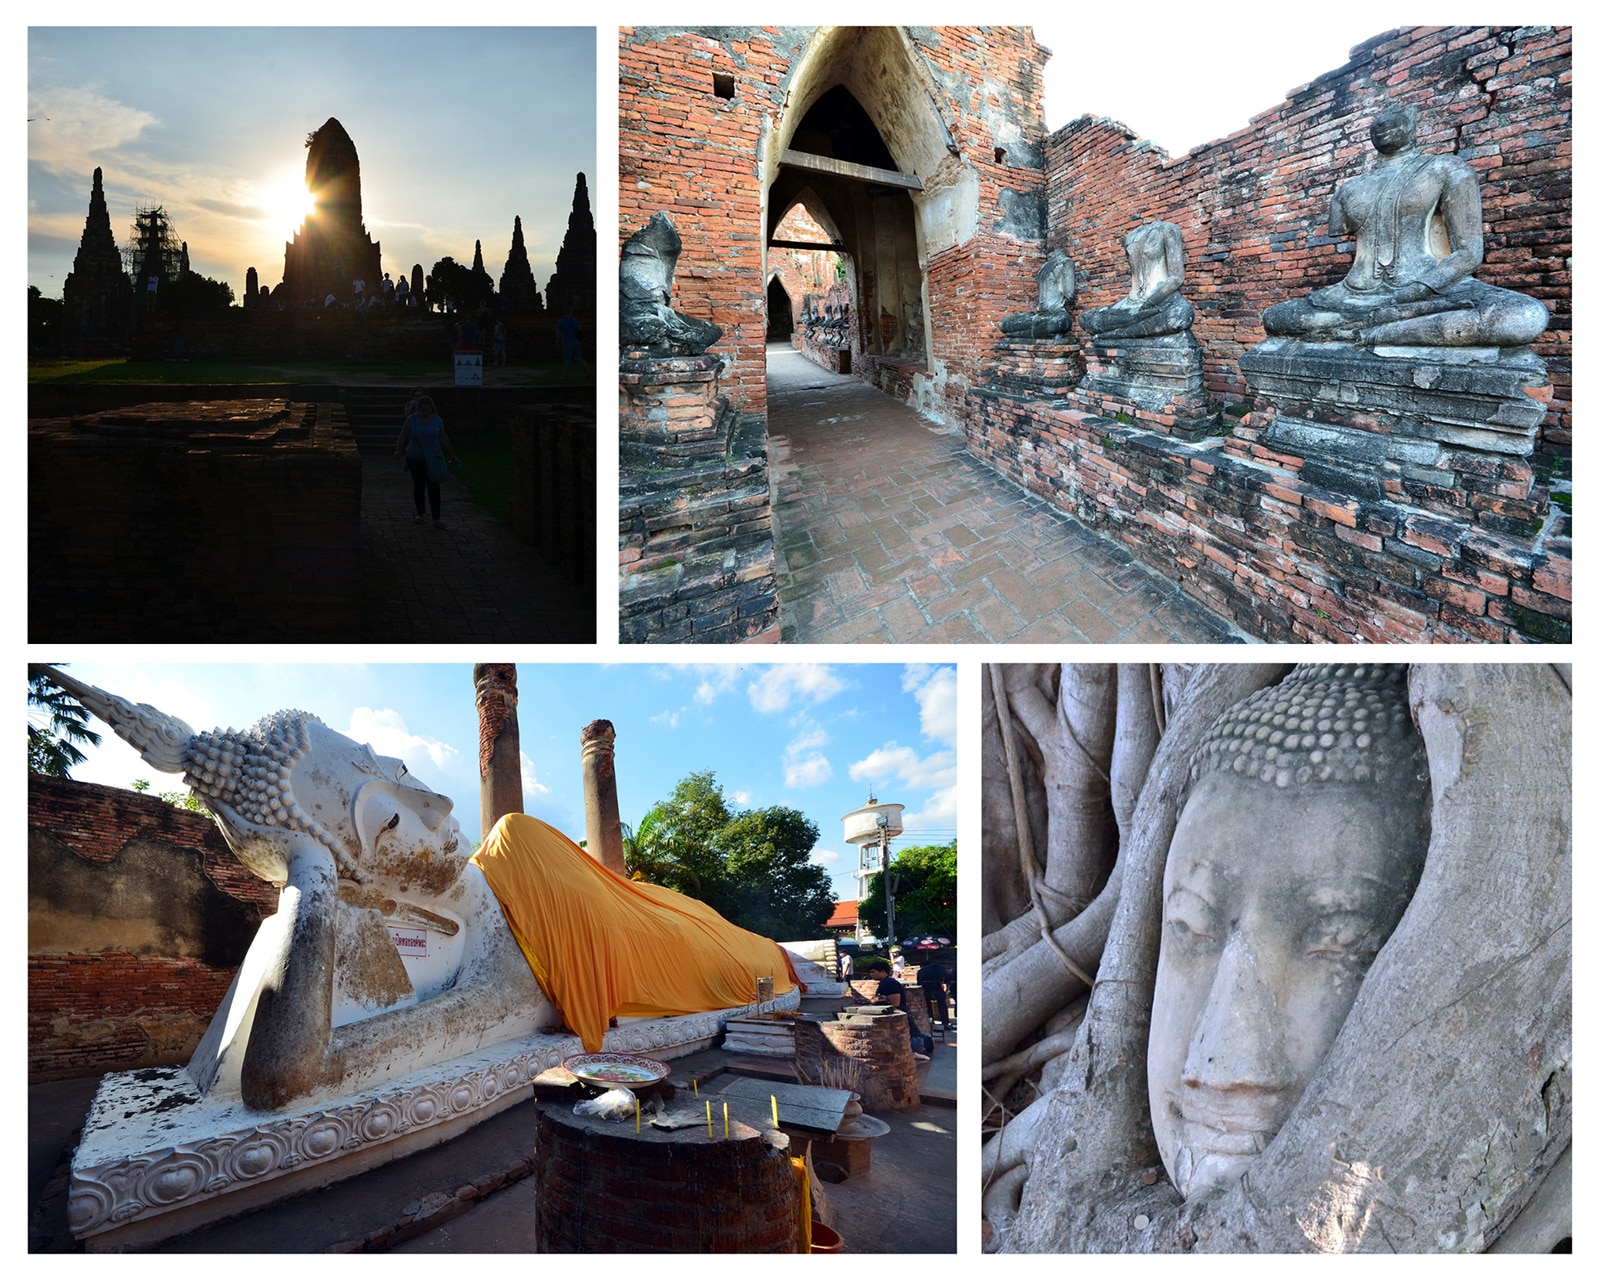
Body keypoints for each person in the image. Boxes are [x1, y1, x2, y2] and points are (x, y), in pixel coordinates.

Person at [1261, 103, 1548, 347]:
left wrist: (1416, 291)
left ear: (1412, 127)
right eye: (1377, 123)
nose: (1384, 124)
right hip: (1355, 293)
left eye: (1395, 119)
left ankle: (1368, 334)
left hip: (1429, 289)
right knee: (1276, 318)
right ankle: (1375, 326)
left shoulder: (1445, 169)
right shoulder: (1348, 188)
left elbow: (1469, 253)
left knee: (1523, 316)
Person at [394, 394, 460, 530]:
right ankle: (420, 514)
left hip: (432, 457)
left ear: (431, 409)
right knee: (419, 486)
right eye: (422, 410)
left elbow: (443, 438)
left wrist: (452, 454)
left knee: (434, 487)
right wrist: (398, 450)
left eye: (427, 410)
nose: (424, 413)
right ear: (418, 409)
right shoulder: (412, 420)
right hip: (415, 457)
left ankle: (436, 518)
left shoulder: (437, 420)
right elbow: (403, 435)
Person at [866, 959, 931, 1060]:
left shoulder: (890, 983)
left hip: (914, 1040)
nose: (871, 974)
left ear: (883, 972)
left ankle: (915, 1049)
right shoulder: (885, 982)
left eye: (873, 972)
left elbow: (895, 1003)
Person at [918, 957, 951, 1029]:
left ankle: (930, 1021)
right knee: (942, 1005)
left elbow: (918, 984)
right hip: (937, 986)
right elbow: (946, 976)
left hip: (926, 987)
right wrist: (946, 987)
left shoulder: (921, 971)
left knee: (928, 1006)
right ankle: (945, 1023)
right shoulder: (937, 966)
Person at [556, 309, 588, 377]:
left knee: (567, 360)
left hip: (567, 342)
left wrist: (558, 342)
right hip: (576, 341)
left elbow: (558, 333)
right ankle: (587, 373)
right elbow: (579, 332)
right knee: (579, 358)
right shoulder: (575, 321)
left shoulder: (561, 322)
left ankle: (564, 376)